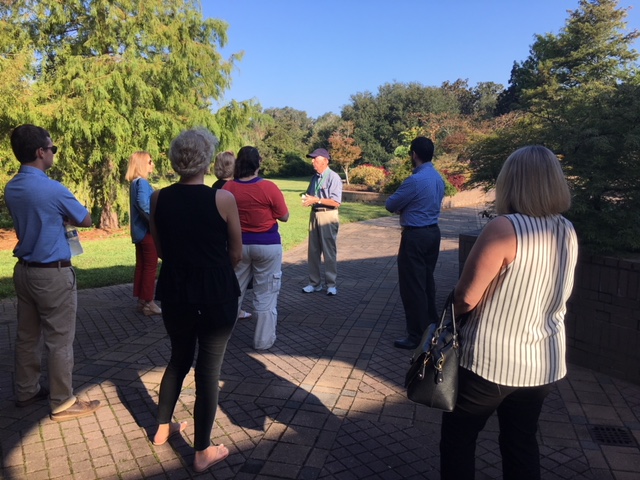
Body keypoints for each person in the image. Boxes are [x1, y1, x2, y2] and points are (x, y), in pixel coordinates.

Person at [440, 145, 578, 480]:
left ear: (512, 182)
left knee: (459, 441)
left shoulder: (504, 228)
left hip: (490, 363)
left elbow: (466, 298)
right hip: (543, 361)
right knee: (521, 441)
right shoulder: (566, 229)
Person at [150, 128, 242, 473]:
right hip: (216, 291)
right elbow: (236, 252)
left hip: (175, 288)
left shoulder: (158, 197)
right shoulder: (223, 199)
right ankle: (202, 450)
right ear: (207, 160)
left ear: (176, 160)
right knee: (208, 369)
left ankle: (162, 428)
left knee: (178, 358)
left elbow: (160, 250)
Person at [5, 124, 101, 421]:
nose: (53, 153)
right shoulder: (52, 188)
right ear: (40, 152)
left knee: (27, 336)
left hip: (24, 271)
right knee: (59, 340)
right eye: (52, 149)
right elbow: (85, 218)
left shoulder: (13, 187)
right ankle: (62, 402)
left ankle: (26, 390)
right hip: (52, 273)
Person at [223, 146, 289, 349]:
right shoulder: (268, 188)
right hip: (267, 246)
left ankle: (221, 337)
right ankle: (262, 341)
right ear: (258, 163)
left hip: (239, 245)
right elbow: (284, 216)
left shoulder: (229, 188)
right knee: (266, 294)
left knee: (234, 292)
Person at [385, 137, 445, 349]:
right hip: (433, 234)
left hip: (415, 236)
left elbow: (390, 204)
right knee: (427, 282)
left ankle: (416, 335)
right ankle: (431, 325)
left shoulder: (415, 180)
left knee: (412, 286)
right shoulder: (438, 178)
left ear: (414, 154)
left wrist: (405, 207)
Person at [212, 150, 253, 320]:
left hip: (218, 236)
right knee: (235, 275)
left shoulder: (214, 186)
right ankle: (233, 309)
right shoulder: (232, 188)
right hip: (233, 236)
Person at [301, 148, 342, 296]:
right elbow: (311, 193)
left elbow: (336, 202)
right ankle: (314, 283)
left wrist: (317, 200)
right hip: (315, 215)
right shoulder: (315, 177)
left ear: (325, 161)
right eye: (312, 159)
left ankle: (331, 284)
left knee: (328, 251)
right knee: (313, 251)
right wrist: (307, 199)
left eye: (315, 159)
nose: (312, 162)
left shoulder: (333, 177)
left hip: (328, 216)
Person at [125, 151, 161, 316]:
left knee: (141, 266)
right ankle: (149, 302)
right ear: (140, 164)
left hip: (138, 233)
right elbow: (143, 204)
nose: (152, 164)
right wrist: (153, 220)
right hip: (147, 233)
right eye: (149, 161)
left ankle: (141, 300)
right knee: (150, 267)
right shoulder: (143, 183)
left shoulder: (134, 183)